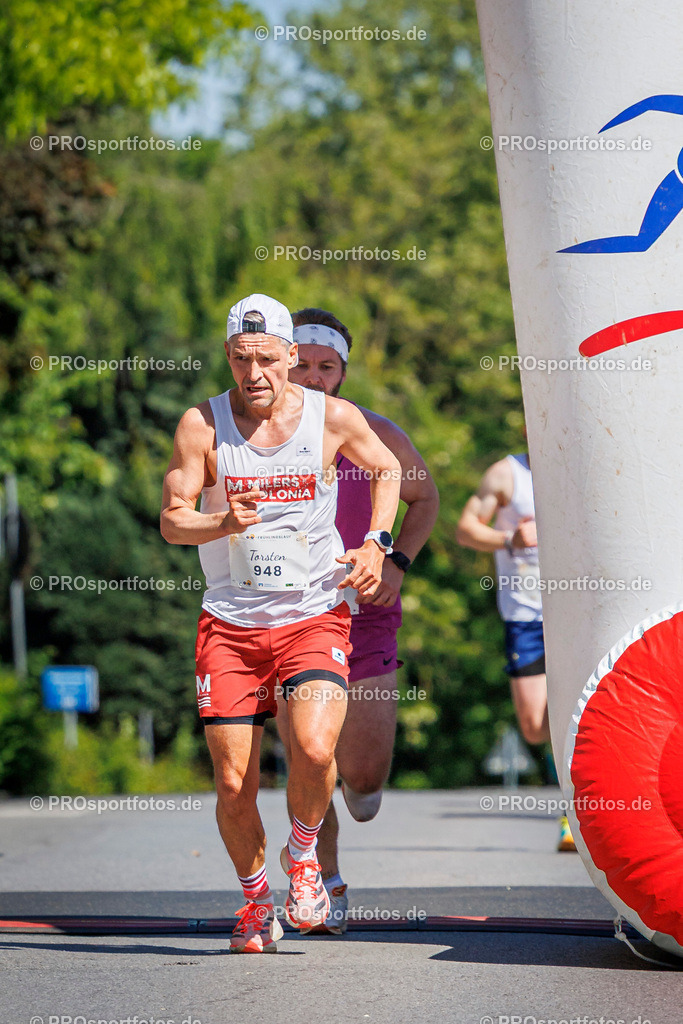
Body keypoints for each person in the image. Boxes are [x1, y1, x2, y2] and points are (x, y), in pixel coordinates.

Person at [160, 293, 401, 953]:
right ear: (228, 358)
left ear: (293, 358)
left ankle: (304, 862)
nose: (254, 373)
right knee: (234, 780)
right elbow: (172, 518)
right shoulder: (201, 426)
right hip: (231, 625)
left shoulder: (331, 418)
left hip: (312, 613)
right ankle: (252, 901)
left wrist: (377, 542)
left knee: (317, 748)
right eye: (241, 359)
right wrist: (221, 522)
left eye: (267, 358)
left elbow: (388, 469)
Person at [276, 308, 440, 933]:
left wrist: (397, 560)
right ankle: (324, 879)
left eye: (328, 367)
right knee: (310, 756)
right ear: (284, 361)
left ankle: (355, 794)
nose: (314, 378)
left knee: (363, 785)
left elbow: (424, 498)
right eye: (304, 364)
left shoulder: (373, 432)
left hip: (365, 613)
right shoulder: (257, 432)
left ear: (342, 372)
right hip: (291, 614)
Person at [455, 451, 576, 852]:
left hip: (579, 612)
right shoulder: (508, 474)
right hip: (526, 616)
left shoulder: (581, 465)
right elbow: (466, 528)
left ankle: (575, 816)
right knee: (536, 726)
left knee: (579, 712)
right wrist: (509, 539)